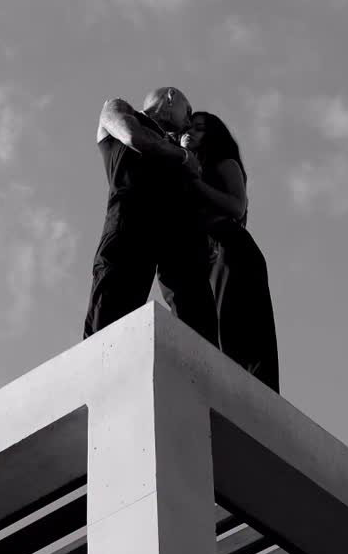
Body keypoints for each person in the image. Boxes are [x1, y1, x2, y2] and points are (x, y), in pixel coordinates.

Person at [83, 88, 218, 345]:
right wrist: (182, 156)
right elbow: (132, 135)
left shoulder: (176, 148)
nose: (189, 120)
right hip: (130, 228)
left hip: (174, 241)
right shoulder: (120, 109)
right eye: (188, 111)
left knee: (198, 319)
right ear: (170, 98)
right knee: (111, 318)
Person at [181, 111, 280, 392]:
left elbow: (237, 206)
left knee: (239, 326)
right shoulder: (185, 167)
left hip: (232, 248)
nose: (191, 133)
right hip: (208, 255)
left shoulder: (224, 164)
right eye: (189, 128)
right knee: (218, 326)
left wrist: (197, 185)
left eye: (199, 128)